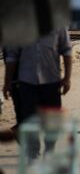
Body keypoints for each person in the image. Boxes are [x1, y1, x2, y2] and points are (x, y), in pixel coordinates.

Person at [3, 29, 72, 159]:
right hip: (26, 81)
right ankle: (33, 153)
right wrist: (8, 82)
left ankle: (49, 150)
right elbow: (11, 56)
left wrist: (67, 78)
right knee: (29, 119)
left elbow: (67, 50)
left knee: (53, 120)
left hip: (51, 80)